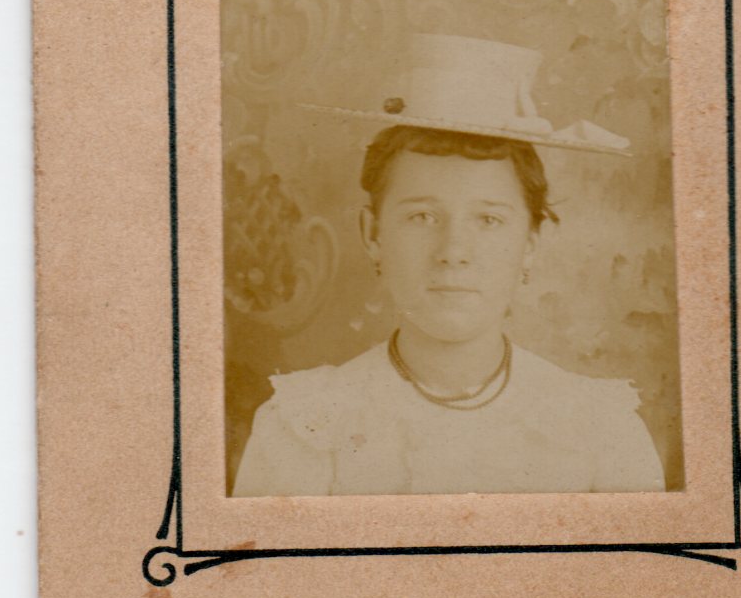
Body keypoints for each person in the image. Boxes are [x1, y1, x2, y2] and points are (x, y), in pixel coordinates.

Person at [233, 33, 665, 496]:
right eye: (422, 217)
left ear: (531, 243)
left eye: (489, 220)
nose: (453, 251)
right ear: (373, 235)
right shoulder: (304, 427)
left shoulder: (601, 431)